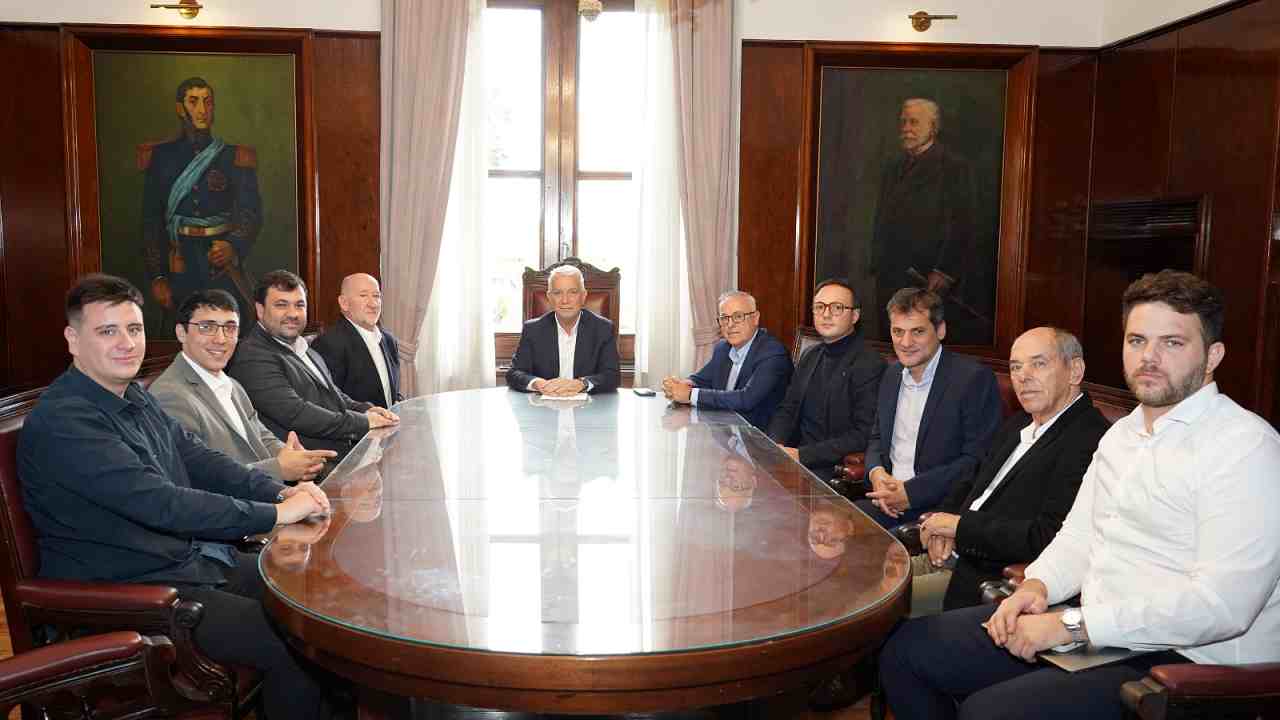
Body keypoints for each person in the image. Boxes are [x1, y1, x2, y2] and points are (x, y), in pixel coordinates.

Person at [879, 270, 1280, 720]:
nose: (1149, 357)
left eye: (1172, 342)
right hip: (1098, 631)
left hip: (1186, 667)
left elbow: (1223, 606)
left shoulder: (1245, 446)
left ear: (1212, 356)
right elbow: (1079, 537)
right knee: (907, 651)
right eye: (1137, 340)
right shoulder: (1121, 435)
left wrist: (1071, 625)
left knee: (989, 712)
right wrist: (1037, 586)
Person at [18, 274, 341, 720]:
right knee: (294, 644)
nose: (127, 343)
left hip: (185, 562)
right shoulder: (65, 420)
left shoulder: (135, 395)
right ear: (73, 340)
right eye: (108, 331)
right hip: (126, 592)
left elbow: (202, 460)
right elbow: (162, 503)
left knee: (312, 599)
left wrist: (281, 490)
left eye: (134, 329)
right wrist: (276, 513)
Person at [916, 326, 1109, 610]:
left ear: (1075, 371)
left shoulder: (1091, 439)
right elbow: (971, 481)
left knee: (878, 617)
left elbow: (1047, 536)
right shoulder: (1020, 421)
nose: (1022, 376)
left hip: (993, 587)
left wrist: (958, 527)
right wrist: (941, 523)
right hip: (948, 556)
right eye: (1016, 367)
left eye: (1038, 363)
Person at [150, 288, 337, 482]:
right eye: (207, 327)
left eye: (230, 328)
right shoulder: (169, 395)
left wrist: (298, 458)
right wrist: (279, 469)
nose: (221, 339)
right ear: (181, 333)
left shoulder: (232, 384)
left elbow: (262, 437)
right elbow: (196, 477)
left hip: (270, 491)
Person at [859, 287, 1002, 528]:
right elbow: (876, 437)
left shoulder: (972, 379)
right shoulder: (891, 374)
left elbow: (977, 461)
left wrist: (911, 493)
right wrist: (876, 472)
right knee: (831, 526)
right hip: (884, 500)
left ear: (940, 330)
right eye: (898, 331)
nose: (906, 343)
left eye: (918, 331)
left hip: (936, 510)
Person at [227, 270, 398, 463]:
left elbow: (334, 394)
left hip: (340, 460)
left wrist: (366, 409)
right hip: (308, 469)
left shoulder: (305, 349)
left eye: (299, 305)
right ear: (260, 310)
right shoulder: (252, 355)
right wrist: (363, 422)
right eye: (281, 305)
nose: (292, 313)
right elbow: (297, 413)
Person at [141, 77, 261, 332]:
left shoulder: (232, 156)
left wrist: (233, 245)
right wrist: (158, 276)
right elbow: (151, 220)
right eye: (193, 102)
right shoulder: (162, 157)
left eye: (207, 102)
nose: (202, 109)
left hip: (220, 263)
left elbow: (250, 211)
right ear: (180, 108)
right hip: (179, 262)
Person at [870, 98, 984, 343]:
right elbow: (882, 219)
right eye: (903, 122)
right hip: (890, 275)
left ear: (933, 127)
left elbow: (963, 224)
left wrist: (944, 271)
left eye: (913, 122)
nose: (906, 129)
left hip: (926, 278)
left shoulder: (954, 167)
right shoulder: (893, 167)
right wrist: (877, 261)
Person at [767, 279, 886, 475]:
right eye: (820, 307)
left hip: (831, 468)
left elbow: (863, 434)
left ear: (855, 316)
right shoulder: (810, 355)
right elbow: (788, 408)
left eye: (837, 307)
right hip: (793, 459)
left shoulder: (869, 364)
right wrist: (774, 444)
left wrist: (802, 455)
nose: (826, 314)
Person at [661, 290, 793, 430]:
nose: (730, 324)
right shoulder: (723, 347)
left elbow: (746, 399)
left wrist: (689, 394)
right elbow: (702, 379)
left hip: (760, 435)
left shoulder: (773, 353)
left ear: (755, 318)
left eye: (738, 316)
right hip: (726, 430)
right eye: (724, 318)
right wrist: (681, 385)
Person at [506, 264, 620, 395]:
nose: (565, 300)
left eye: (573, 292)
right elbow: (514, 373)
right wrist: (537, 383)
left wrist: (582, 383)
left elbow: (612, 376)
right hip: (544, 404)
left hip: (588, 404)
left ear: (583, 296)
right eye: (557, 293)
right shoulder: (532, 330)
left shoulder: (603, 329)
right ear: (549, 297)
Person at [311, 273, 403, 409]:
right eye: (363, 295)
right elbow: (329, 402)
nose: (373, 304)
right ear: (344, 303)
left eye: (376, 296)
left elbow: (391, 393)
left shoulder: (389, 341)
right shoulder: (329, 344)